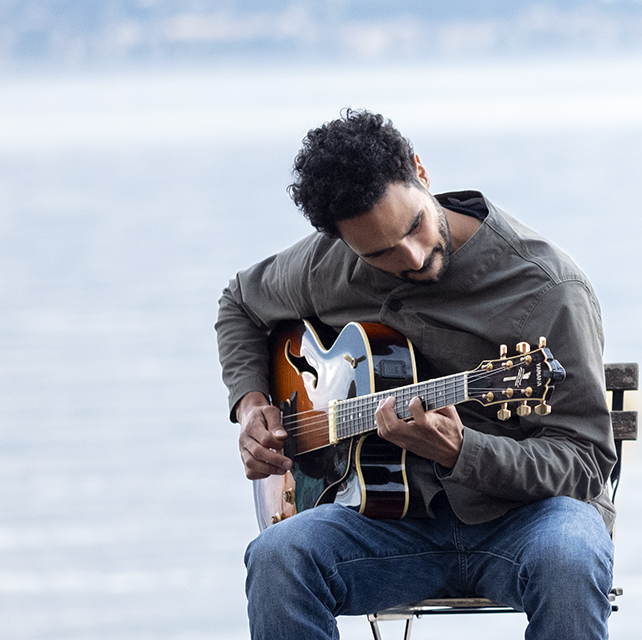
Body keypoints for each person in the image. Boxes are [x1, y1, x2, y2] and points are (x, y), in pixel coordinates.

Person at [217, 109, 616, 640]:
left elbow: (585, 463)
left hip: (528, 520)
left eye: (414, 226)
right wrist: (251, 404)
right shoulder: (328, 266)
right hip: (385, 522)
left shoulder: (546, 289)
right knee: (277, 558)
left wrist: (461, 451)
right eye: (379, 253)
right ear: (341, 242)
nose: (412, 256)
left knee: (571, 557)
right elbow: (239, 303)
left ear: (421, 173)